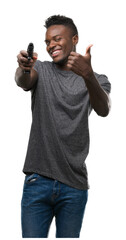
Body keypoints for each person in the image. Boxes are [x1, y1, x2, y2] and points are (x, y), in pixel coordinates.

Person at [15, 15, 111, 238]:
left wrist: (87, 75)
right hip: (37, 181)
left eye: (57, 39)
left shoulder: (97, 79)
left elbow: (104, 109)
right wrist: (24, 68)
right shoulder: (42, 69)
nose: (51, 46)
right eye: (47, 41)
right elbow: (24, 80)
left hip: (74, 186)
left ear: (74, 39)